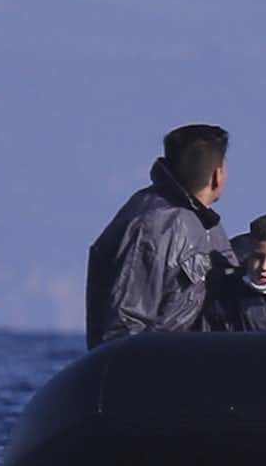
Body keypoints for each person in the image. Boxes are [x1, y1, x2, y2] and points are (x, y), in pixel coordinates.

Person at [85, 123, 231, 345]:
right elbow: (125, 325)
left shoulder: (205, 223)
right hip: (160, 370)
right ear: (217, 175)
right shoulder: (157, 225)